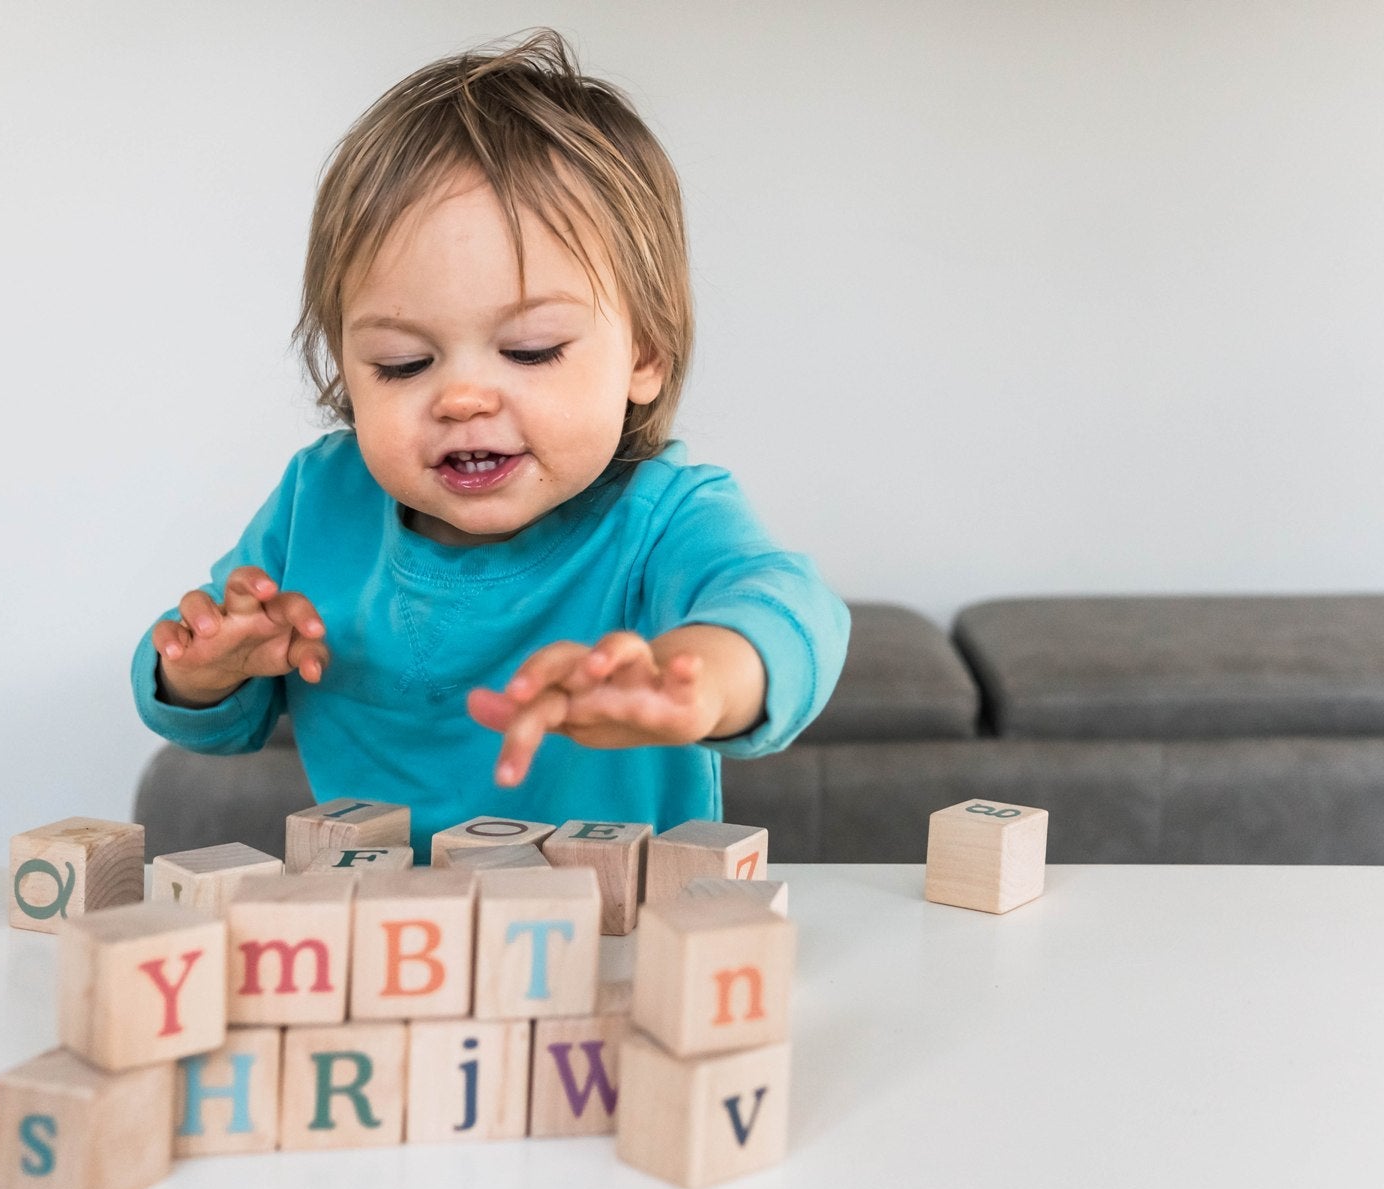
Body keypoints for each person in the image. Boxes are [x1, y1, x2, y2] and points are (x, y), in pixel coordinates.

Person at [131, 28, 849, 857]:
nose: (463, 398)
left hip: (614, 928)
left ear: (644, 353)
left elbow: (795, 611)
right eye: (402, 364)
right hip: (382, 924)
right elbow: (212, 722)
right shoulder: (316, 502)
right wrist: (208, 667)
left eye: (531, 349)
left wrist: (702, 675)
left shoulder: (665, 518)